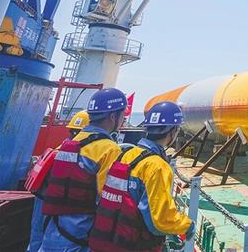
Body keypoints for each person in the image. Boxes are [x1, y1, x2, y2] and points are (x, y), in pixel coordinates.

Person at [89, 101, 194, 252]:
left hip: (106, 239)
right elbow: (160, 220)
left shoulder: (124, 154)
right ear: (173, 131)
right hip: (134, 245)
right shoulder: (157, 166)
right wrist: (187, 226)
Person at [39, 88, 128, 251]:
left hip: (53, 230)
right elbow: (108, 200)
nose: (124, 120)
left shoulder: (70, 143)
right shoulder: (109, 149)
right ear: (113, 116)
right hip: (79, 236)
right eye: (123, 115)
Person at [27, 110, 92, 251]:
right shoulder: (81, 154)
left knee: (36, 236)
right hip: (54, 204)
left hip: (42, 198)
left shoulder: (59, 149)